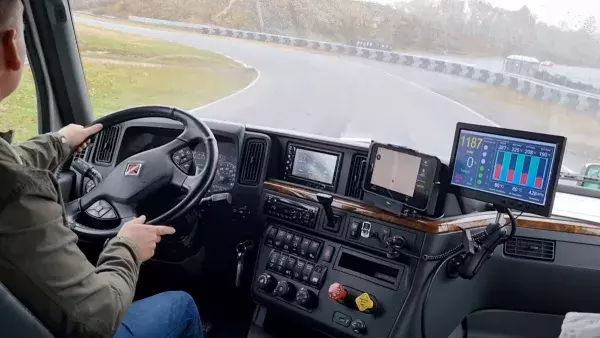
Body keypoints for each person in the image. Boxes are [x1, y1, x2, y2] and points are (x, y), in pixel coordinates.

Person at [0, 1, 203, 337]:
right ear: (11, 47)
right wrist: (128, 247)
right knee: (181, 304)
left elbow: (9, 161)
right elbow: (98, 320)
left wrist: (60, 141)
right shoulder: (18, 198)